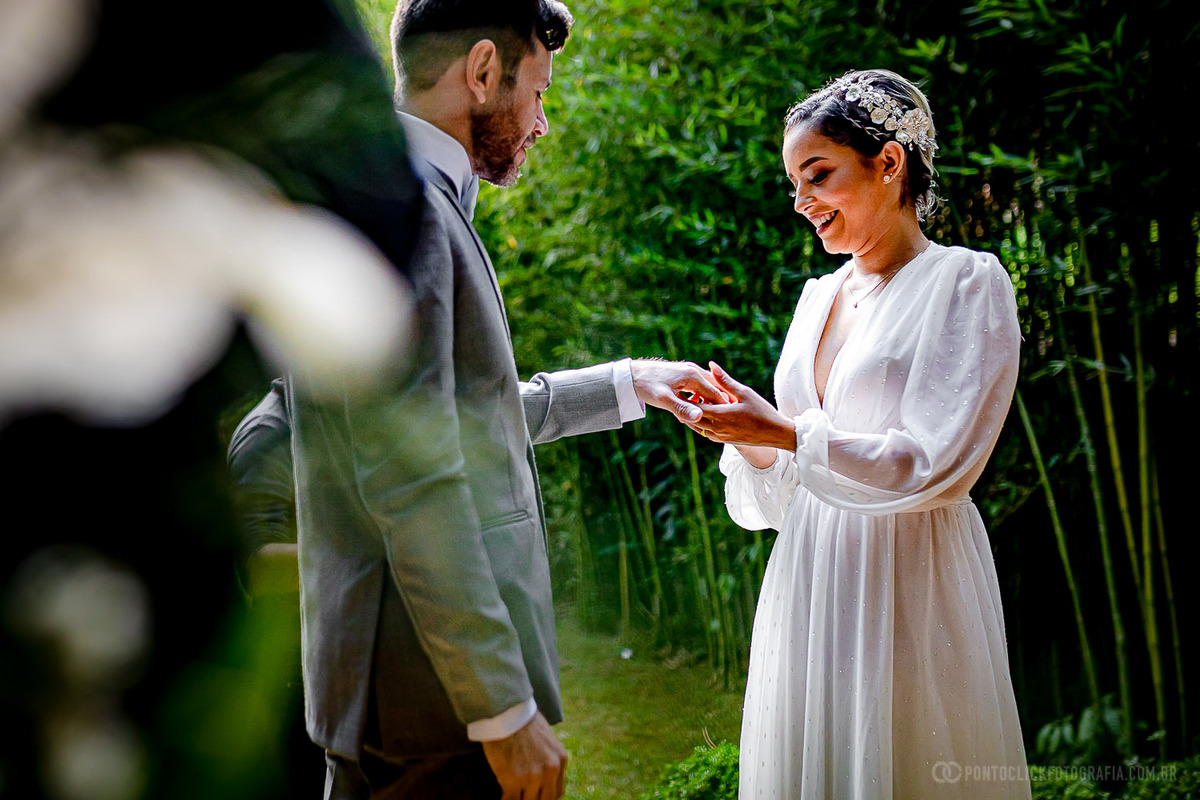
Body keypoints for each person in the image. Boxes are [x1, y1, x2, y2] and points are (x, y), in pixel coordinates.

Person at [287, 1, 723, 798]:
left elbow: (450, 424)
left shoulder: (396, 192)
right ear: (484, 72)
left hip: (405, 689)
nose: (543, 123)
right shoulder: (408, 210)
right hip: (425, 699)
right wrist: (499, 706)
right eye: (540, 94)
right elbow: (412, 477)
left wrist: (628, 383)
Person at [688, 69, 1031, 799]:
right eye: (793, 184)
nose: (801, 202)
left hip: (910, 581)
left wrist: (787, 434)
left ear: (888, 163)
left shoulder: (966, 285)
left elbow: (937, 465)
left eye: (818, 175)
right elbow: (786, 499)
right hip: (811, 580)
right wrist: (748, 435)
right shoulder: (816, 300)